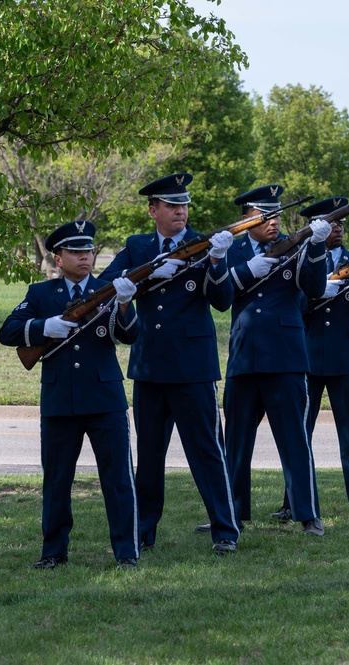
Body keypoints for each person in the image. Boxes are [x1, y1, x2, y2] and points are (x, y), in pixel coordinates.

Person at [99, 173, 240, 555]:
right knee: (149, 457)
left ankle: (225, 530)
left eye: (184, 205)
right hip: (150, 365)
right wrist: (139, 280)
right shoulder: (137, 246)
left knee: (207, 452)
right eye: (172, 205)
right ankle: (144, 531)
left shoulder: (202, 244)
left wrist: (217, 260)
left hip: (193, 367)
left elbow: (222, 300)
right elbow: (106, 284)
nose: (181, 211)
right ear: (153, 210)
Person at [0, 220, 142, 570]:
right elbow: (8, 331)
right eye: (75, 252)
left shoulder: (111, 289)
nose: (84, 257)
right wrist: (42, 327)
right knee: (57, 481)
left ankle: (127, 552)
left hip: (105, 399)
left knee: (118, 479)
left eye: (88, 251)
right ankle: (53, 552)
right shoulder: (41, 295)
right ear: (58, 258)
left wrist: (125, 305)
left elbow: (130, 336)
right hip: (60, 400)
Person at [217, 184, 332, 536]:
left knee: (294, 438)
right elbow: (220, 296)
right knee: (235, 442)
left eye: (277, 215)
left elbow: (314, 288)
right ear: (245, 218)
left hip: (285, 357)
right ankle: (231, 513)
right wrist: (246, 268)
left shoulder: (296, 245)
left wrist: (316, 246)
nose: (273, 221)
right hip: (244, 355)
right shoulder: (233, 251)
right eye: (265, 215)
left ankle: (308, 513)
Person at [268, 197, 349, 525]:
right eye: (332, 223)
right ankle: (293, 503)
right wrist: (314, 292)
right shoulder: (298, 258)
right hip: (305, 355)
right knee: (298, 435)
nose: (338, 228)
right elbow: (292, 305)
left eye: (341, 223)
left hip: (346, 357)